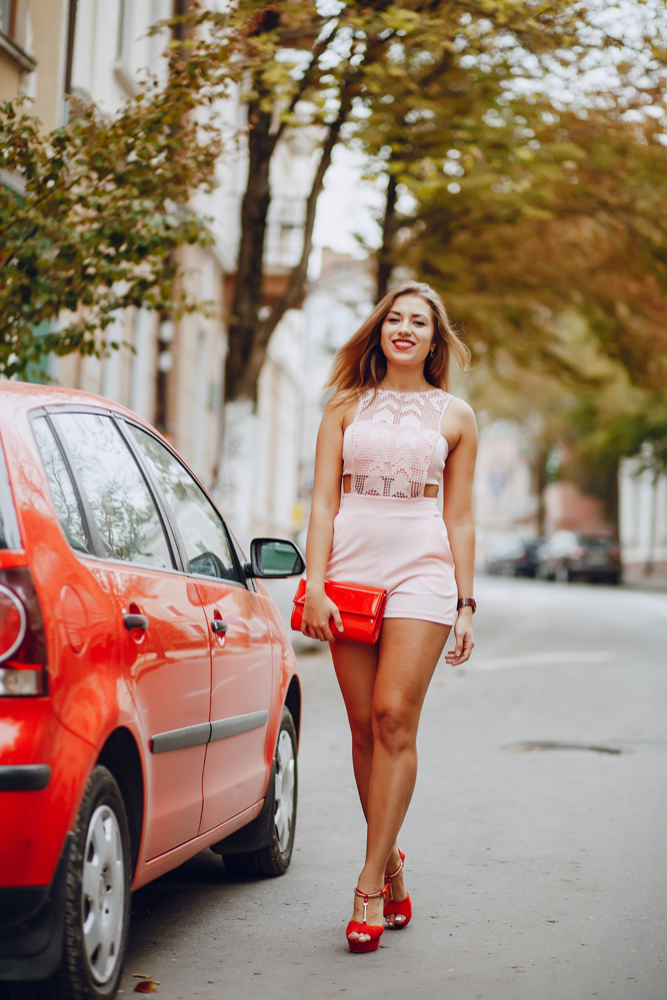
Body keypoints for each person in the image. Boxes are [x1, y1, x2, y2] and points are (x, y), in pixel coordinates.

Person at [301, 280, 477, 953]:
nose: (404, 329)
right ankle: (394, 861)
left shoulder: (455, 415)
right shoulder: (343, 407)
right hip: (348, 569)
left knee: (393, 716)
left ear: (435, 340)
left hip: (422, 571)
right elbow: (321, 504)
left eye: (418, 322)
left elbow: (458, 515)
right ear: (379, 331)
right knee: (361, 727)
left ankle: (369, 882)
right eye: (394, 319)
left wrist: (464, 602)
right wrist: (314, 584)